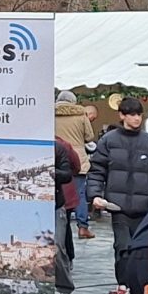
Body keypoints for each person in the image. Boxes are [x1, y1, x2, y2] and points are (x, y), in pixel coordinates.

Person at [84, 98, 148, 294]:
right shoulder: (109, 141)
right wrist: (95, 195)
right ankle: (123, 288)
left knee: (141, 252)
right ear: (122, 115)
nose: (136, 118)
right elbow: (97, 170)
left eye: (138, 114)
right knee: (122, 248)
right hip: (118, 207)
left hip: (144, 208)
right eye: (131, 114)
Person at [55, 90, 97, 242]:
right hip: (77, 156)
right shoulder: (81, 115)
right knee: (79, 194)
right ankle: (82, 227)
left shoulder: (51, 115)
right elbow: (89, 136)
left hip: (57, 155)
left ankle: (61, 224)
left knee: (59, 192)